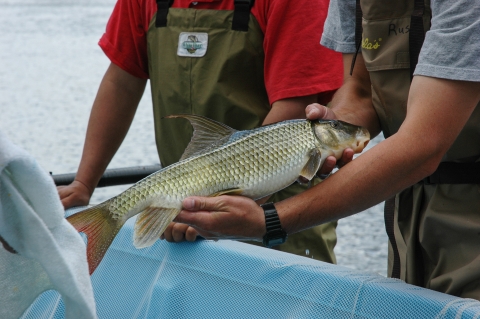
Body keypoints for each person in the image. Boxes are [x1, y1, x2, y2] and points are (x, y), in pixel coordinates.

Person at [171, 0, 480, 299]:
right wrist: (334, 125)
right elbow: (360, 90)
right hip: (405, 217)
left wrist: (269, 221)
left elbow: (423, 145)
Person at [57, 0, 344, 263]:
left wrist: (219, 204)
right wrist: (84, 183)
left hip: (279, 221)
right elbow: (122, 82)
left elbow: (297, 103)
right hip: (183, 214)